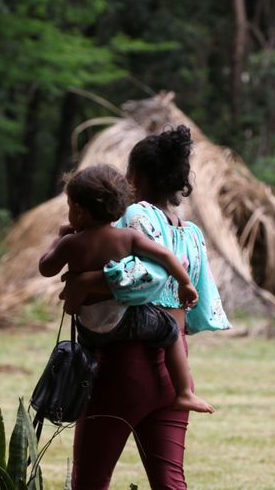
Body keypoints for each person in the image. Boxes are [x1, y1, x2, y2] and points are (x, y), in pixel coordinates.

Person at [60, 125, 231, 489]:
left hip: (125, 366)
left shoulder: (136, 215)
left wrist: (85, 282)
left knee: (90, 480)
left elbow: (145, 277)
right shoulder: (192, 234)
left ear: (135, 176)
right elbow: (201, 306)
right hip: (175, 366)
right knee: (170, 481)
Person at [38, 163, 214, 413]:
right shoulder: (127, 237)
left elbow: (46, 268)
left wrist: (59, 239)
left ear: (78, 210)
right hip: (127, 321)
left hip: (89, 331)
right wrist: (185, 283)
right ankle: (184, 392)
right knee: (170, 331)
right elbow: (165, 256)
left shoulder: (70, 243)